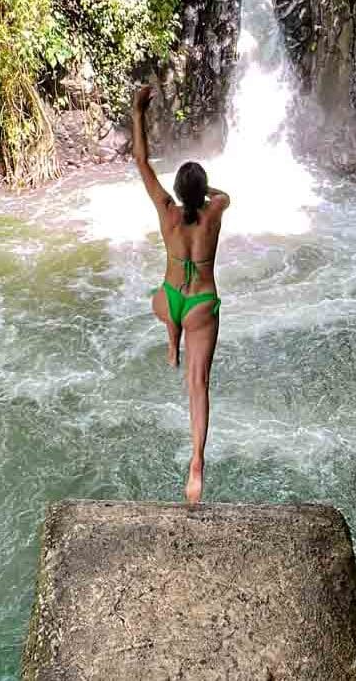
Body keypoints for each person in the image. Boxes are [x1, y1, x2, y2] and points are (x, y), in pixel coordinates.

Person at [131, 85, 230, 504]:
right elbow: (226, 196)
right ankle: (196, 463)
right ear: (202, 193)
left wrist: (138, 112)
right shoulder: (213, 212)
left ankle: (171, 337)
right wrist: (203, 192)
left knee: (155, 298)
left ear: (177, 191)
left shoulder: (167, 213)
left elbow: (140, 162)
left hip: (172, 298)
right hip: (202, 306)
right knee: (198, 385)